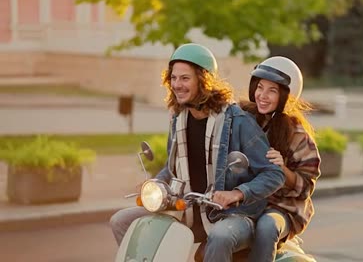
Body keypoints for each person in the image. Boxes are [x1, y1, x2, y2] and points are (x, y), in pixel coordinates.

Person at [109, 43, 285, 262]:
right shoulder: (179, 119)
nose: (177, 85)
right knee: (121, 220)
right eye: (173, 78)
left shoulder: (238, 122)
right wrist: (155, 184)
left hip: (232, 215)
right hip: (190, 209)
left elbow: (274, 174)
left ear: (203, 80)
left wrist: (237, 193)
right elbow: (174, 169)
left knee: (220, 236)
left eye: (185, 78)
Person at [239, 56, 321, 262]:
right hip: (246, 200)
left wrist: (282, 169)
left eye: (272, 90)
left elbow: (306, 187)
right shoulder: (243, 118)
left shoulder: (298, 134)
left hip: (283, 207)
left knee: (267, 227)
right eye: (260, 87)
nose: (262, 96)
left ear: (286, 95)